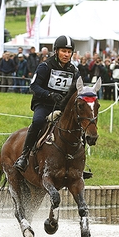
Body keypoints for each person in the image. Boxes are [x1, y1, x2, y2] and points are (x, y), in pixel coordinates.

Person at [14, 35, 79, 172]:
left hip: (62, 107)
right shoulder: (45, 66)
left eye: (69, 52)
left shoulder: (74, 71)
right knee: (37, 122)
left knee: (78, 125)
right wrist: (49, 94)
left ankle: (77, 163)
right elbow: (34, 86)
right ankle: (24, 156)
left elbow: (79, 89)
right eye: (63, 51)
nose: (66, 55)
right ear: (56, 51)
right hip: (44, 104)